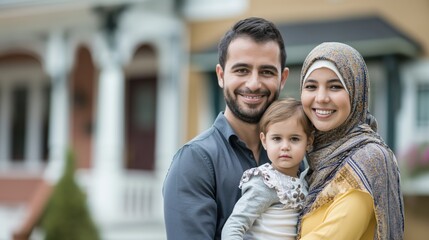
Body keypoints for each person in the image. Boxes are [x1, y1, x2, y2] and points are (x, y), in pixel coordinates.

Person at [162, 17, 289, 239]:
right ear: (221, 75)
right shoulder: (195, 162)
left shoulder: (296, 156)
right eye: (242, 70)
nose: (253, 83)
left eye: (267, 72)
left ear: (282, 79)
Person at [297, 42, 404, 239]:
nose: (321, 97)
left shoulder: (368, 159)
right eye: (311, 86)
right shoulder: (312, 159)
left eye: (335, 86)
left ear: (357, 92)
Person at [221, 98, 313, 240]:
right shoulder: (265, 182)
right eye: (276, 138)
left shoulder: (307, 181)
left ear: (309, 142)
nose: (285, 147)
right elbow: (233, 226)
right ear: (264, 141)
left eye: (294, 139)